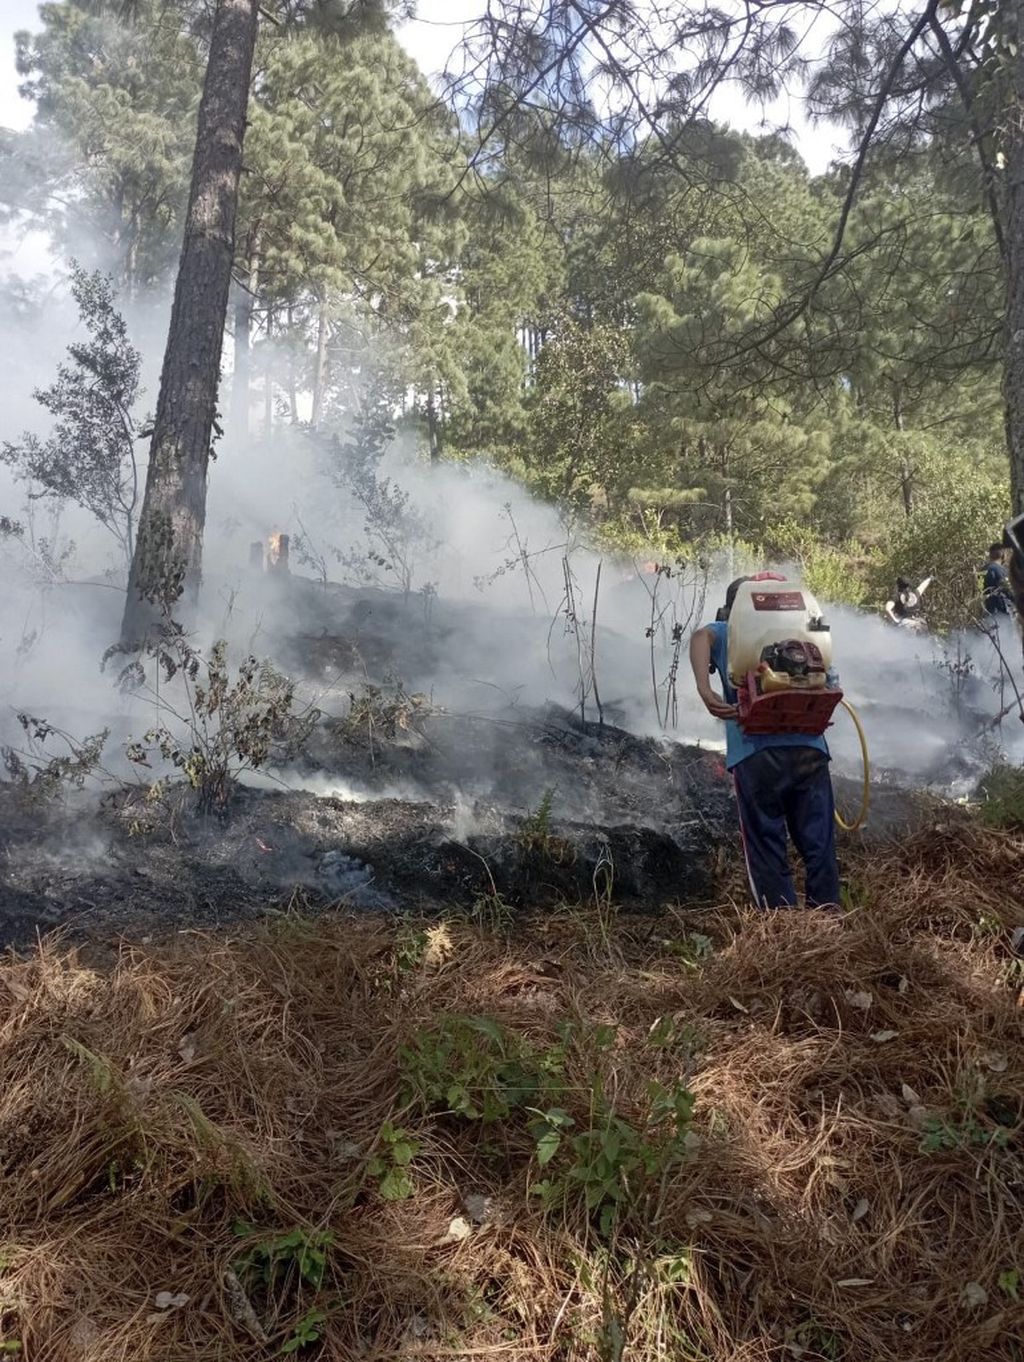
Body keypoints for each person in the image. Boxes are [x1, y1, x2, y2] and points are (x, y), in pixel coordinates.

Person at [689, 577, 842, 910]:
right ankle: (829, 921)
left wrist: (705, 689)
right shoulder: (799, 632)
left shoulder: (730, 627)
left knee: (765, 844)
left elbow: (700, 636)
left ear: (732, 607)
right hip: (810, 748)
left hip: (755, 752)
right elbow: (829, 679)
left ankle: (781, 927)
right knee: (819, 843)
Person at [982, 543, 1013, 616]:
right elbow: (1008, 590)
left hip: (987, 612)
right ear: (1003, 555)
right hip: (1001, 612)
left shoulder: (982, 570)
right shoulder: (1000, 570)